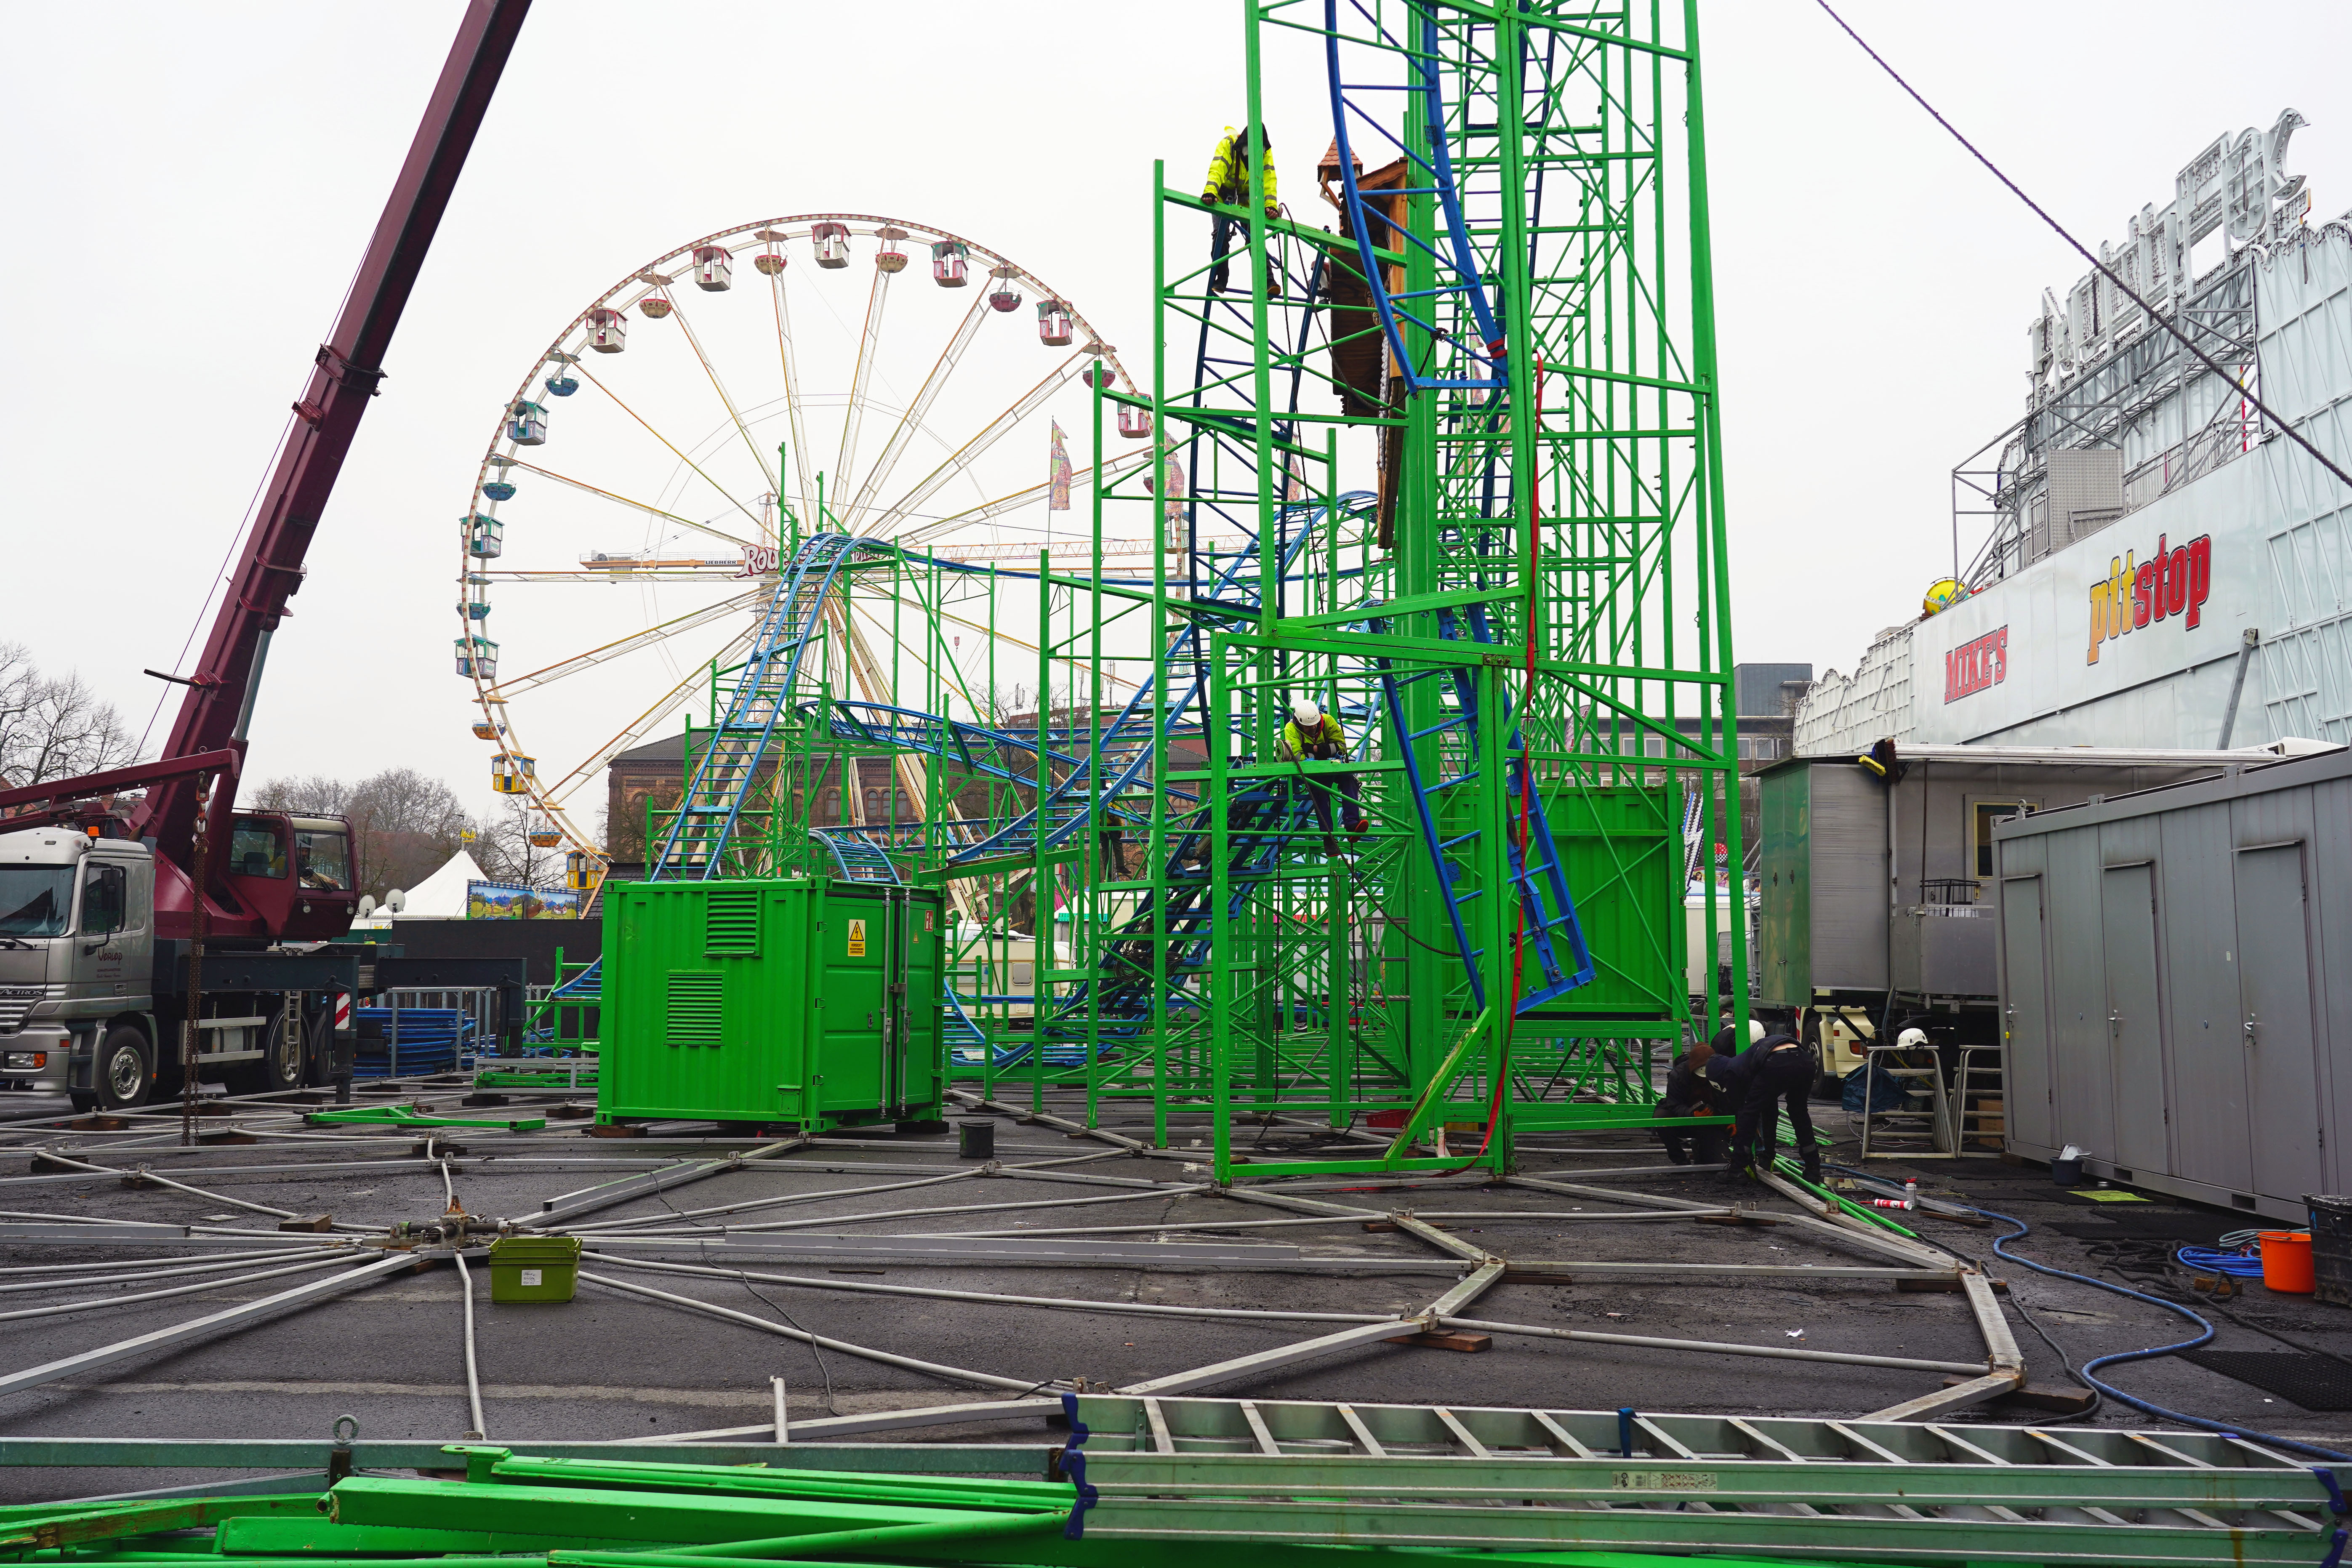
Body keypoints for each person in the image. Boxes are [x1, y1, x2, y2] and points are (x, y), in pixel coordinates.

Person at [1708, 1028, 1821, 1184]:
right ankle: (1813, 1169)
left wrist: (1743, 1152)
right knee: (1799, 1112)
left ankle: (1736, 1170)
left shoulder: (1731, 1072)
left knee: (1748, 1115)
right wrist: (1768, 1154)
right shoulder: (1742, 1063)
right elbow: (1770, 1111)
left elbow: (1745, 1115)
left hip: (1776, 1060)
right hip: (1804, 1059)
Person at [1279, 696, 1366, 855]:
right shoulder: (1291, 729)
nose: (1313, 729)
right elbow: (1298, 757)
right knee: (1319, 793)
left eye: (1315, 725)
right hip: (1314, 772)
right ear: (1299, 722)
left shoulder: (1328, 721)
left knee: (1349, 780)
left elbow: (1341, 748)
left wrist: (1315, 750)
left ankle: (1352, 823)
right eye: (1308, 727)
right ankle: (1328, 836)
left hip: (1333, 766)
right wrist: (1324, 751)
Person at [1202, 124, 1279, 295]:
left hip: (1249, 197)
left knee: (1256, 237)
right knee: (1220, 234)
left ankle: (1268, 281)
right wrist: (1210, 191)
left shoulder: (1265, 152)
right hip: (1223, 195)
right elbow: (1218, 169)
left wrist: (1271, 206)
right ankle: (1220, 279)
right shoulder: (1229, 145)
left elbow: (1269, 180)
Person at [1654, 1037, 1728, 1166]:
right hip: (1684, 1120)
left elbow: (1729, 1101)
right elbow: (1673, 1105)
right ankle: (1679, 1159)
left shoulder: (1720, 1074)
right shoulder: (1678, 1075)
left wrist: (1730, 1120)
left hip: (1711, 1122)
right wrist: (1692, 1114)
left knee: (1721, 1164)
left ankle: (1702, 1149)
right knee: (1661, 1119)